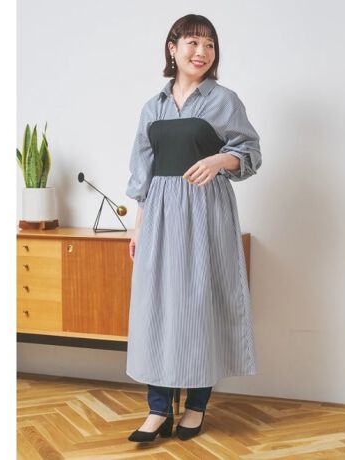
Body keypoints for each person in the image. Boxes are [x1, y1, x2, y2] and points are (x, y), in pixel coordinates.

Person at [125, 14, 262, 442]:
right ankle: (158, 410)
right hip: (160, 216)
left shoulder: (224, 100)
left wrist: (219, 159)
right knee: (158, 307)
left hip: (206, 213)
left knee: (201, 305)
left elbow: (250, 153)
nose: (201, 52)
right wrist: (138, 228)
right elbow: (142, 174)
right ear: (173, 48)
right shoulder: (153, 107)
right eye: (193, 43)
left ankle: (196, 406)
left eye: (209, 45)